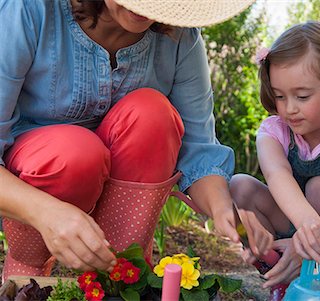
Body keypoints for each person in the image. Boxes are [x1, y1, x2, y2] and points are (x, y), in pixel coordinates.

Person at [0, 0, 276, 282]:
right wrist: (46, 213)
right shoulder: (30, 11)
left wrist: (224, 210)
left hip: (124, 192)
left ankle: (120, 274)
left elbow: (199, 152)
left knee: (153, 114)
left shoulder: (181, 37)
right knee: (75, 153)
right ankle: (27, 270)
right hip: (41, 171)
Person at [230, 21, 320, 300]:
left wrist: (312, 240)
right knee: (239, 187)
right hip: (297, 230)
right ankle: (279, 268)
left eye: (302, 96)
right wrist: (306, 227)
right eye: (279, 96)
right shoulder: (275, 130)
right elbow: (277, 175)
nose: (289, 108)